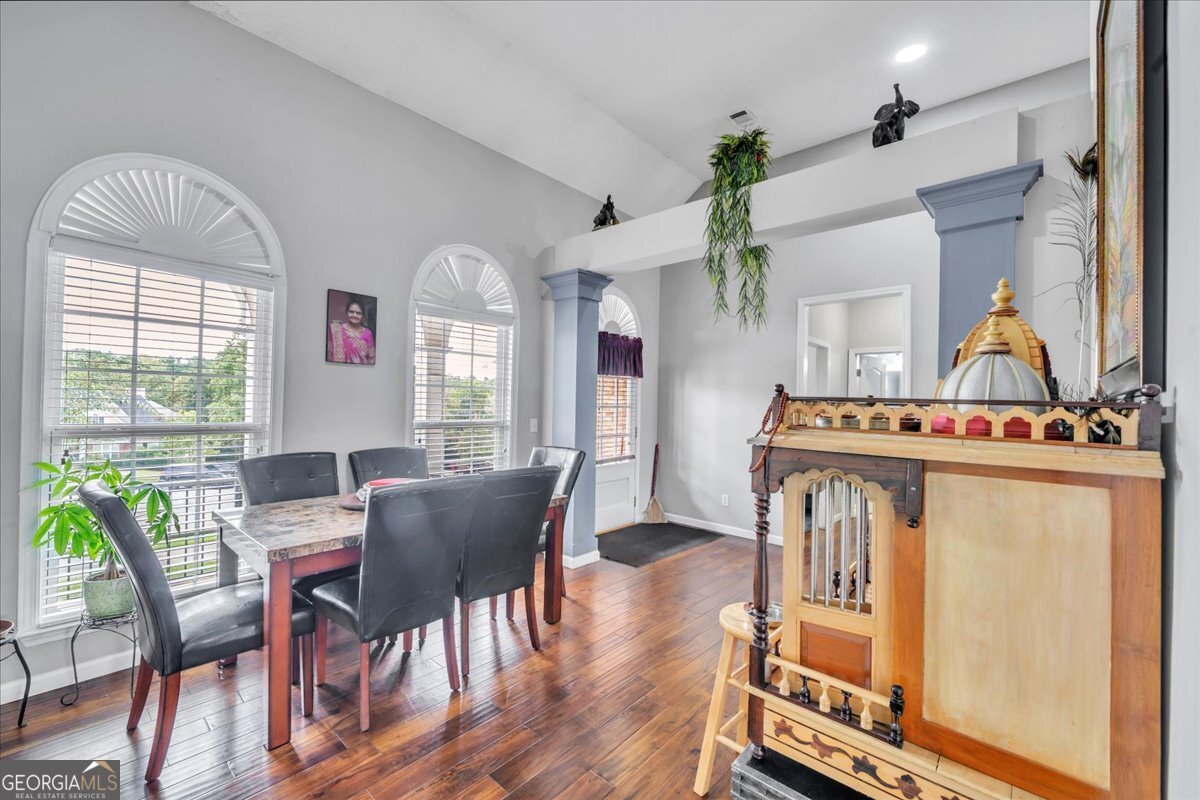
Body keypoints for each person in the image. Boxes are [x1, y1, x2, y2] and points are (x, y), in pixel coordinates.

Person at [327, 297, 376, 365]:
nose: (355, 315)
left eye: (358, 313)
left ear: (362, 316)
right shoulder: (337, 330)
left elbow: (372, 358)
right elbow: (330, 353)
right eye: (351, 312)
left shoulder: (368, 333)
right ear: (346, 312)